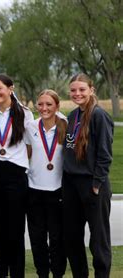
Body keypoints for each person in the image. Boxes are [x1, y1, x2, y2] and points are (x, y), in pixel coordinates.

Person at [0, 74, 33, 278]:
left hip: (16, 174)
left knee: (15, 230)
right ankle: (2, 273)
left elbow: (29, 146)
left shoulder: (25, 114)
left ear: (10, 88)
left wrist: (17, 162)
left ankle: (17, 273)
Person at [63, 73, 113, 278]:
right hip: (71, 185)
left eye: (82, 89)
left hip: (93, 185)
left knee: (98, 239)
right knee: (72, 238)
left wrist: (96, 184)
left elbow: (104, 154)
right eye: (73, 90)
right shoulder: (73, 116)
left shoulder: (99, 115)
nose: (77, 93)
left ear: (91, 90)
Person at [25, 90, 67, 278]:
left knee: (58, 238)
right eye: (41, 104)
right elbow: (26, 153)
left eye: (49, 104)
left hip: (58, 190)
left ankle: (58, 273)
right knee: (37, 238)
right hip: (34, 189)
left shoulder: (65, 125)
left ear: (57, 106)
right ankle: (42, 273)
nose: (44, 108)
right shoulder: (31, 127)